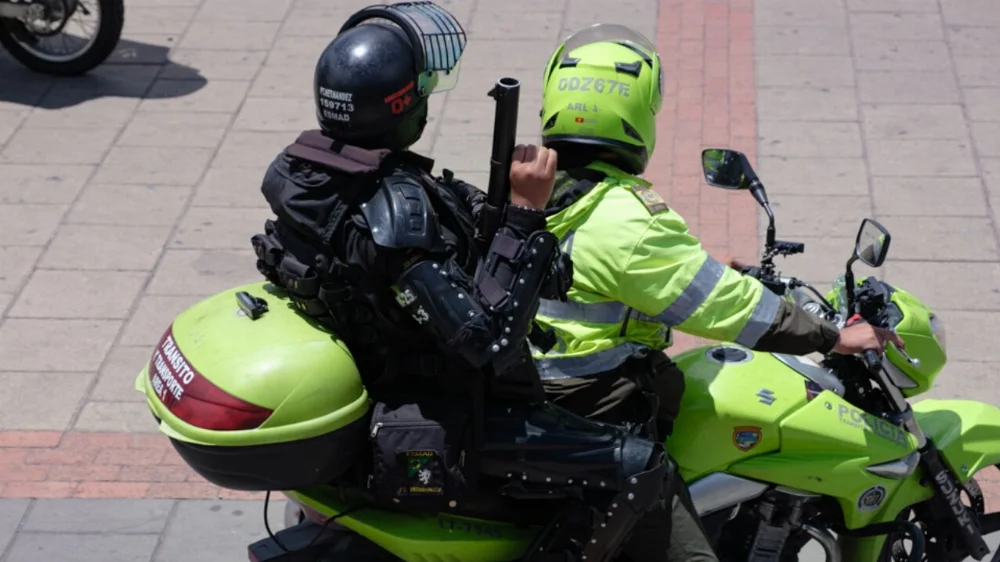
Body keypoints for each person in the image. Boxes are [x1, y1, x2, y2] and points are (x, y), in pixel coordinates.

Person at [249, 5, 682, 562]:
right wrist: (525, 215)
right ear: (404, 107)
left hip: (373, 369)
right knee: (641, 466)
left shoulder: (301, 172)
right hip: (441, 406)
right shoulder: (396, 220)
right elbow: (490, 343)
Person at [530, 24, 906, 562]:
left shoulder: (534, 189)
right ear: (638, 115)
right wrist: (830, 335)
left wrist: (704, 268)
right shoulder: (629, 218)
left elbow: (601, 281)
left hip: (540, 398)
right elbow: (731, 308)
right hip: (596, 417)